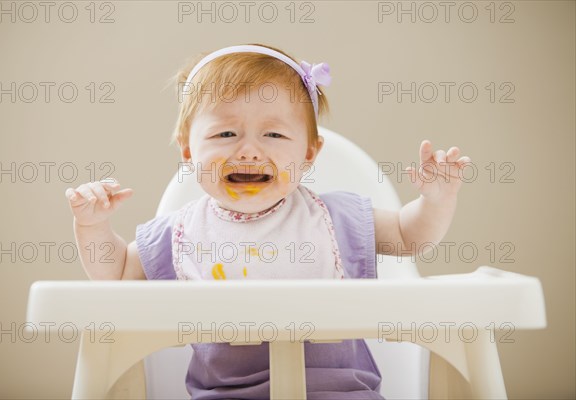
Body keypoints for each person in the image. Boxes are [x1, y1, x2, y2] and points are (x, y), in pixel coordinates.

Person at [65, 43, 471, 399]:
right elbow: (117, 274)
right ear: (188, 149)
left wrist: (435, 199)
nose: (249, 151)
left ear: (310, 153)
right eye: (225, 134)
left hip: (340, 393)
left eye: (274, 135)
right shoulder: (180, 234)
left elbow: (408, 236)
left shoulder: (334, 220)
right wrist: (92, 226)